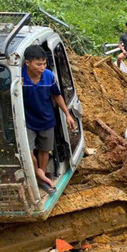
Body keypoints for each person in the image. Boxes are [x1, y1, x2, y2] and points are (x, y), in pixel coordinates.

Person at [22, 45, 76, 194]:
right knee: (29, 151)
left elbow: (57, 95)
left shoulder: (49, 76)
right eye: (38, 64)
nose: (42, 67)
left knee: (44, 150)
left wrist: (67, 114)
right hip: (27, 122)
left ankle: (42, 177)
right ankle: (38, 174)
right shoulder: (19, 78)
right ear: (27, 63)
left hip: (46, 120)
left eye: (44, 64)